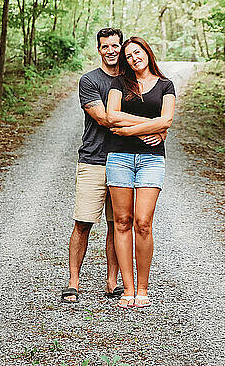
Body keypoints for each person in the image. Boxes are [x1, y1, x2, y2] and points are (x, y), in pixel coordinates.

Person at [62, 28, 164, 303]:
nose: (111, 50)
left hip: (123, 159)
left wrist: (160, 128)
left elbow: (157, 112)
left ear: (121, 48)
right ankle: (74, 281)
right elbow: (106, 118)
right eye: (105, 46)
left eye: (116, 46)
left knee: (117, 224)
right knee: (83, 222)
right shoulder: (90, 81)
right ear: (99, 49)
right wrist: (149, 129)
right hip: (94, 159)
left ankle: (113, 282)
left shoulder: (132, 80)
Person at [106, 36, 176, 308]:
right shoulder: (119, 84)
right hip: (119, 157)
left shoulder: (166, 85)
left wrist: (132, 129)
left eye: (138, 52)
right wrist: (153, 126)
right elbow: (112, 115)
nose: (134, 58)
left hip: (151, 160)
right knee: (122, 222)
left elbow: (168, 119)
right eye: (129, 56)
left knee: (143, 223)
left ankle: (143, 289)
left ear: (147, 52)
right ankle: (128, 289)